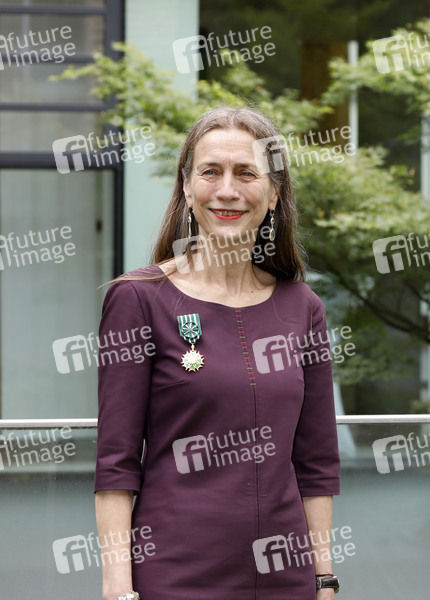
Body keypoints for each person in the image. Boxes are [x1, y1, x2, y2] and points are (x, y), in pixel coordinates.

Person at [94, 107, 341, 600]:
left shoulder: (303, 307)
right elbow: (116, 465)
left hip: (286, 581)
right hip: (174, 578)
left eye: (246, 173)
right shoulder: (138, 298)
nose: (227, 190)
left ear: (274, 193)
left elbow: (315, 464)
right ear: (187, 188)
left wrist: (324, 580)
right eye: (210, 172)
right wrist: (119, 590)